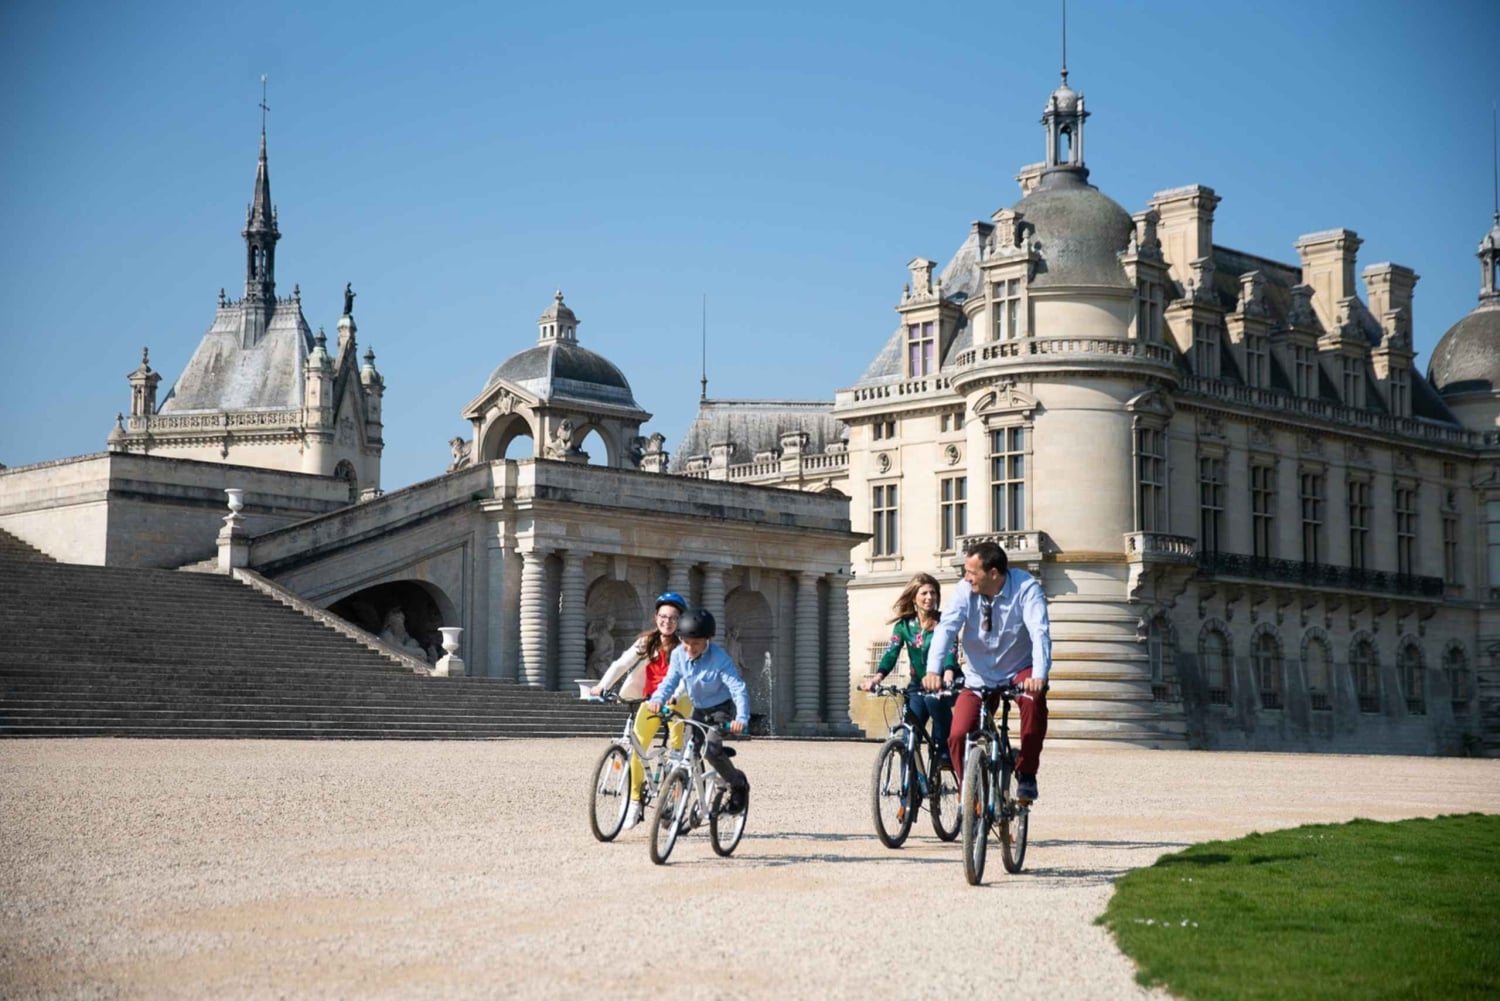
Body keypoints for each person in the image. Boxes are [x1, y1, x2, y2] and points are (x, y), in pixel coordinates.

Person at [922, 541, 1050, 803]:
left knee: (1034, 702)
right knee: (957, 735)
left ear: (993, 573)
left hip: (1018, 668)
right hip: (979, 675)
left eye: (972, 572)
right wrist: (933, 670)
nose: (966, 577)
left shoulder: (1026, 588)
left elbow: (1039, 632)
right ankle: (968, 791)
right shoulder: (964, 590)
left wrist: (1039, 676)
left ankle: (1026, 772)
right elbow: (947, 628)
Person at [591, 593, 692, 829]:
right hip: (650, 701)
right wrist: (602, 686)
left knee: (677, 753)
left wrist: (673, 696)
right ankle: (634, 802)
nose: (667, 622)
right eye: (663, 617)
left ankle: (675, 800)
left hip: (678, 700)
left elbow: (686, 678)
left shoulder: (686, 646)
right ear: (656, 617)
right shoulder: (647, 641)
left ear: (680, 621)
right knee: (637, 747)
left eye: (673, 618)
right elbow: (621, 663)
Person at [644, 608, 751, 814]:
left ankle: (738, 784)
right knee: (689, 752)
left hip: (720, 709)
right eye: (686, 642)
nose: (690, 648)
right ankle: (687, 797)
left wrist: (741, 718)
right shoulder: (678, 654)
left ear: (707, 640)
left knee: (711, 750)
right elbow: (670, 682)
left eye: (696, 643)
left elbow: (738, 688)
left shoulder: (720, 659)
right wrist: (657, 699)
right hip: (699, 709)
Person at [859, 572, 961, 762]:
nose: (929, 597)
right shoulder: (904, 626)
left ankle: (944, 748)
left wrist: (948, 673)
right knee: (909, 738)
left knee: (934, 701)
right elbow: (891, 653)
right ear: (914, 597)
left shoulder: (945, 622)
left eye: (933, 593)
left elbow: (950, 650)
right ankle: (910, 780)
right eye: (924, 593)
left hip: (946, 683)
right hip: (918, 685)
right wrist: (877, 678)